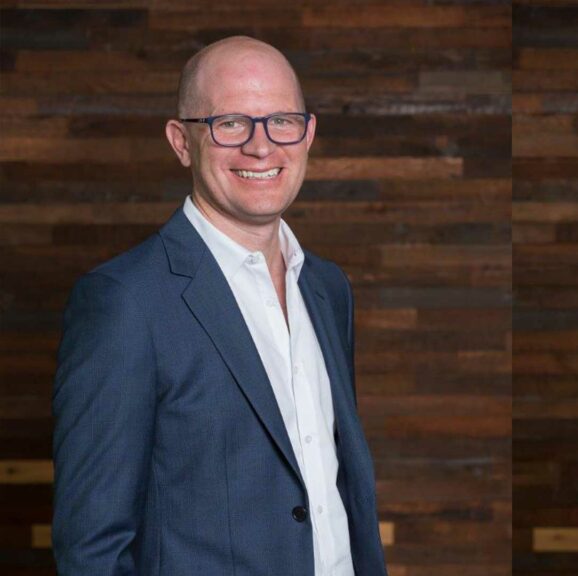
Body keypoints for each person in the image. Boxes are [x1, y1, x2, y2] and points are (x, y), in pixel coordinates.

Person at [52, 36, 387, 575]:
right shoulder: (125, 302)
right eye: (231, 122)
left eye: (282, 120)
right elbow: (92, 545)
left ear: (308, 135)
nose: (262, 147)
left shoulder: (328, 288)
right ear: (182, 141)